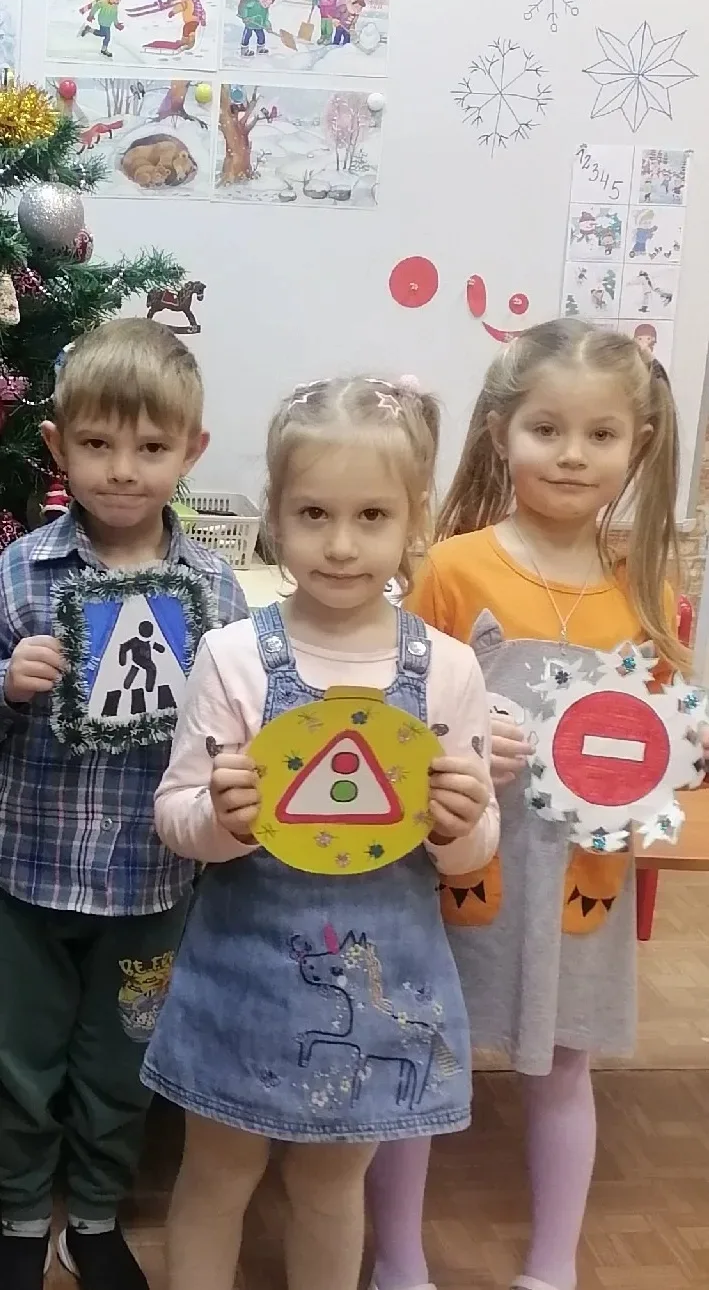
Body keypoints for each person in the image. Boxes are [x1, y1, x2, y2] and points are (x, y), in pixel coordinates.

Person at [141, 375, 500, 1290]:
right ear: (275, 516)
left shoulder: (448, 670)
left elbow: (472, 851)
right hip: (242, 968)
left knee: (333, 1185)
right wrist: (222, 821)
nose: (341, 545)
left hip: (386, 972)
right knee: (216, 1175)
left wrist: (460, 827)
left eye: (371, 515)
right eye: (313, 514)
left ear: (413, 520)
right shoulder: (233, 655)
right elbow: (175, 817)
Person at [367, 320, 692, 1290]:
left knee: (563, 1068)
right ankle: (397, 1263)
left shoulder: (646, 586)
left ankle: (553, 1268)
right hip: (457, 865)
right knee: (423, 1057)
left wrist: (678, 747)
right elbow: (387, 714)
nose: (572, 454)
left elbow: (666, 732)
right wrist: (457, 736)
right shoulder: (450, 568)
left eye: (600, 434)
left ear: (637, 444)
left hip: (580, 877)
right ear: (501, 431)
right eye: (547, 429)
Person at [0, 320, 247, 1290]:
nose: (122, 470)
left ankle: (95, 1216)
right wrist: (6, 682)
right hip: (27, 874)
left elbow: (243, 719)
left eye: (150, 447)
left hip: (152, 883)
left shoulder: (215, 591)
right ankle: (21, 1214)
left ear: (191, 451)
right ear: (57, 446)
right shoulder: (19, 574)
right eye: (97, 444)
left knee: (120, 1064)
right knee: (18, 1060)